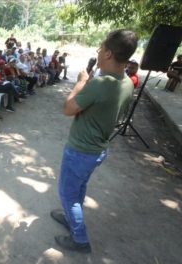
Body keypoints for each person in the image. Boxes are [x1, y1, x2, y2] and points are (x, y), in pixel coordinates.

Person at [50, 29, 137, 253]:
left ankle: (80, 239)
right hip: (97, 150)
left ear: (108, 54)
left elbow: (68, 109)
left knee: (67, 194)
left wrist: (80, 83)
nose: (98, 52)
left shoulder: (100, 84)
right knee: (78, 188)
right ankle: (71, 218)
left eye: (100, 48)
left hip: (80, 149)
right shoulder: (127, 83)